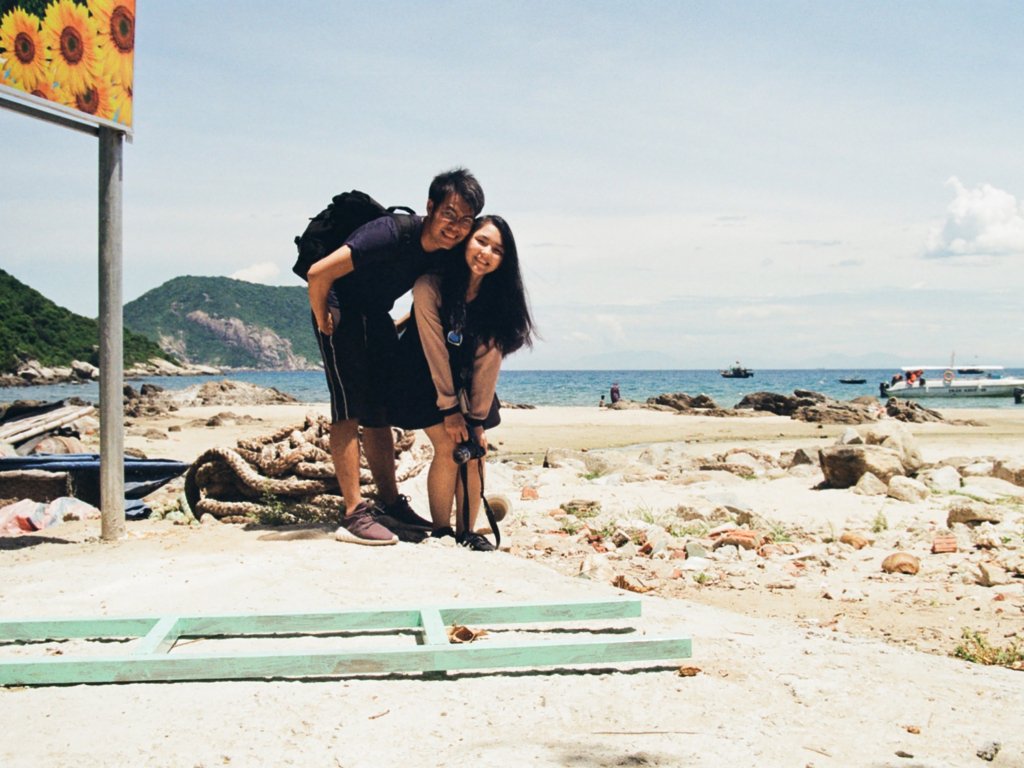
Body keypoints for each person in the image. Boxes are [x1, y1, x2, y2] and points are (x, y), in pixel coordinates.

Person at [306, 168, 485, 545]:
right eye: (449, 214)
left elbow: (427, 297)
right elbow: (318, 274)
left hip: (376, 314)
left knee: (379, 411)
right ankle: (354, 512)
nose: (455, 227)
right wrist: (323, 318)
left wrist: (405, 324)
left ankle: (388, 504)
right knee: (348, 407)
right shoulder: (390, 232)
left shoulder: (443, 253)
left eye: (465, 220)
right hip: (339, 307)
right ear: (430, 207)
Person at [391, 215, 534, 551]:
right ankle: (441, 531)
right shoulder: (430, 285)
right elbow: (434, 349)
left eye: (497, 250)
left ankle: (466, 532)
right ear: (466, 240)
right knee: (447, 445)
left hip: (467, 379)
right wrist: (450, 409)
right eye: (481, 241)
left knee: (475, 450)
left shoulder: (498, 301)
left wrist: (476, 419)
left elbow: (488, 362)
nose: (486, 253)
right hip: (420, 373)